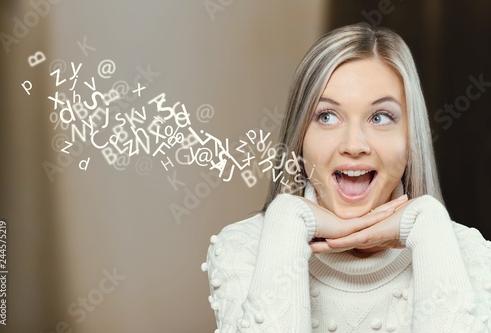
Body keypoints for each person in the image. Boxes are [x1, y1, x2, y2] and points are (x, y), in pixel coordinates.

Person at [201, 22, 491, 333]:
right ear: (299, 135)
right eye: (327, 116)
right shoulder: (244, 248)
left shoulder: (472, 256)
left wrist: (430, 221)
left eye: (380, 117)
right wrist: (287, 217)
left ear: (411, 138)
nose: (354, 145)